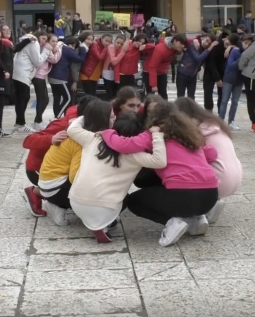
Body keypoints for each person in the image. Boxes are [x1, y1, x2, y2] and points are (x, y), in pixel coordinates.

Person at [102, 101, 219, 247]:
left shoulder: (155, 134)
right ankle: (197, 219)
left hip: (184, 194)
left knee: (134, 201)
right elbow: (212, 154)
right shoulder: (190, 135)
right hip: (211, 195)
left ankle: (172, 223)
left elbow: (123, 145)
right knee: (163, 183)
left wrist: (107, 132)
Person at [68, 112, 167, 243]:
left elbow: (72, 129)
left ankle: (98, 222)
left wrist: (86, 114)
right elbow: (160, 161)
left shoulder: (94, 138)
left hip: (75, 202)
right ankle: (103, 224)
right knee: (129, 198)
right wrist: (157, 135)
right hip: (104, 208)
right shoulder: (135, 155)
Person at [38, 98, 112, 226]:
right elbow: (75, 177)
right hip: (54, 188)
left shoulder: (81, 132)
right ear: (103, 120)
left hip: (48, 182)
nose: (115, 119)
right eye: (111, 117)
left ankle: (59, 203)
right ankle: (57, 204)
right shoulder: (82, 140)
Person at [21, 95, 98, 217]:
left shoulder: (80, 121)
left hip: (61, 166)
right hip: (38, 170)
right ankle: (36, 192)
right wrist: (51, 138)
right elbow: (28, 140)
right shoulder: (64, 126)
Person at [174, 97, 242, 224]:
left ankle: (199, 210)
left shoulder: (197, 132)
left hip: (219, 182)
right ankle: (212, 204)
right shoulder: (215, 126)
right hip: (235, 179)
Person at [13, 32, 52, 133]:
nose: (44, 41)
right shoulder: (34, 43)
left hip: (19, 73)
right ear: (38, 37)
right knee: (23, 99)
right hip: (23, 74)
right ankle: (21, 124)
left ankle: (19, 122)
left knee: (22, 99)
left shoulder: (27, 41)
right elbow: (38, 61)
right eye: (43, 38)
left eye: (45, 39)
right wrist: (47, 51)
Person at [219, 34, 252, 130]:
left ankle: (231, 121)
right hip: (229, 79)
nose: (247, 46)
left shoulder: (249, 54)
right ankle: (220, 121)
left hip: (239, 81)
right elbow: (230, 65)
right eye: (245, 43)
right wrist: (241, 58)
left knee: (235, 102)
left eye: (249, 44)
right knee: (224, 101)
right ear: (241, 42)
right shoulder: (235, 51)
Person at [48, 37, 86, 118]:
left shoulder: (59, 48)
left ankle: (56, 116)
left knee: (57, 98)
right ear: (72, 44)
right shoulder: (67, 50)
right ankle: (57, 117)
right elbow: (80, 59)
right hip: (60, 78)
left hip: (52, 77)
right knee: (68, 98)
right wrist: (83, 48)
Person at [0, 26, 16, 138]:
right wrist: (5, 70)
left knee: (2, 105)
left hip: (6, 78)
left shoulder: (7, 45)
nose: (8, 31)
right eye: (4, 30)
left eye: (9, 30)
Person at [32, 32, 60, 131]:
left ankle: (37, 120)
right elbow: (54, 60)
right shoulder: (46, 48)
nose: (55, 43)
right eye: (52, 41)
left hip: (42, 76)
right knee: (41, 99)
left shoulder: (48, 48)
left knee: (45, 99)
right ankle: (37, 122)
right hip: (37, 76)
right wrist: (59, 49)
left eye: (56, 41)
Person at [147, 33, 188, 100]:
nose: (183, 46)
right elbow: (152, 67)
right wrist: (153, 84)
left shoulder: (175, 47)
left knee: (163, 94)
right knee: (151, 96)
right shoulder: (160, 49)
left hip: (162, 72)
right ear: (175, 41)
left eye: (184, 44)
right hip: (151, 73)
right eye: (181, 44)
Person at [203, 32, 228, 113]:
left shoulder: (231, 48)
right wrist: (217, 79)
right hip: (209, 71)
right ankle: (208, 112)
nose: (226, 42)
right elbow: (211, 64)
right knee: (208, 92)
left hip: (222, 72)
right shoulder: (216, 47)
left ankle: (220, 113)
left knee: (221, 94)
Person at [102, 35, 129, 100]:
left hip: (116, 72)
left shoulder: (121, 48)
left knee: (115, 92)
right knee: (110, 93)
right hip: (108, 72)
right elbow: (114, 61)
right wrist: (123, 52)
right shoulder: (111, 47)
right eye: (118, 42)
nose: (119, 45)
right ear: (114, 41)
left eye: (121, 44)